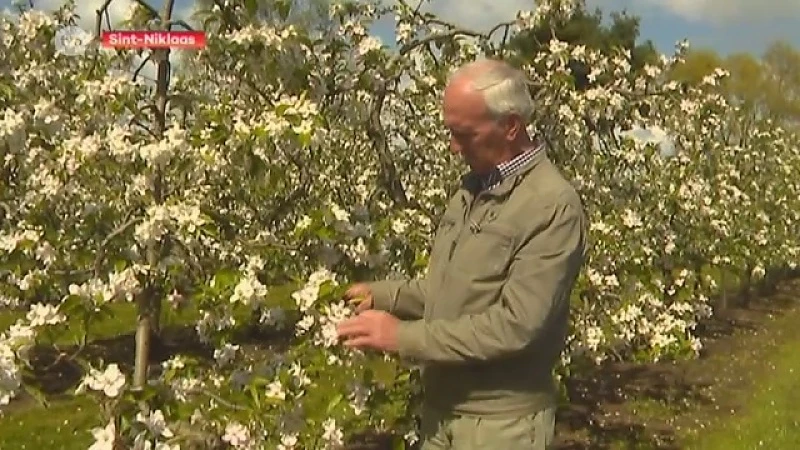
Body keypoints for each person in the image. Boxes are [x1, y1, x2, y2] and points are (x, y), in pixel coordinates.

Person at [336, 58, 588, 449]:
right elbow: (453, 289)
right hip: (442, 414)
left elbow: (516, 325)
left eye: (464, 134)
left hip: (499, 425)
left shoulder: (551, 205)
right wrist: (383, 295)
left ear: (510, 126)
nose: (454, 148)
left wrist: (401, 336)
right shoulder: (471, 190)